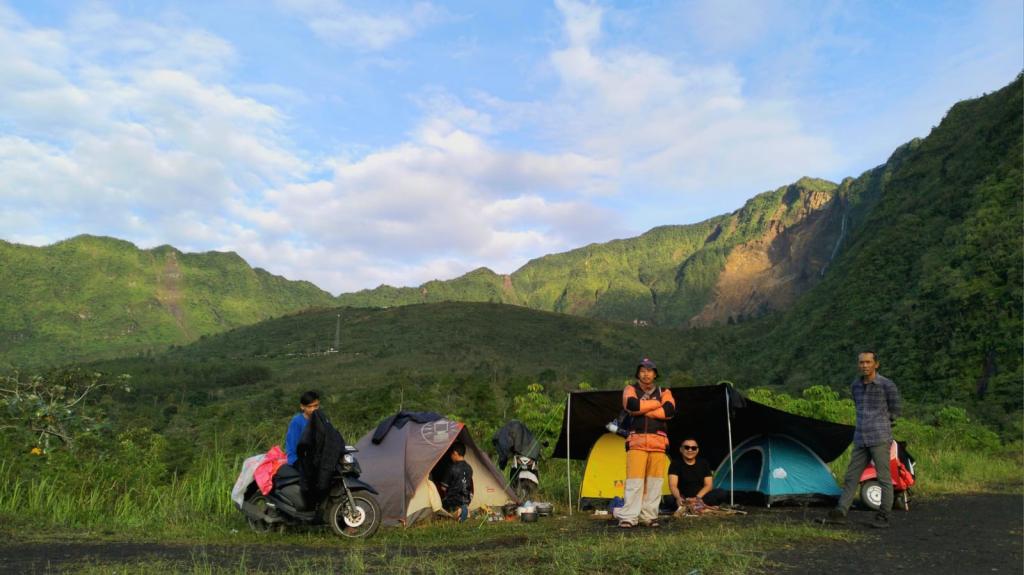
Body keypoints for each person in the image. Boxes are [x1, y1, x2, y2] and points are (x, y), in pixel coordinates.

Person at [825, 351, 902, 529]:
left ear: (876, 364)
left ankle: (883, 515)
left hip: (880, 438)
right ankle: (840, 512)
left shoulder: (886, 385)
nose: (864, 366)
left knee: (884, 478)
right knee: (851, 477)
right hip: (860, 438)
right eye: (861, 363)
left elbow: (896, 409)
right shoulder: (856, 386)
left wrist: (882, 423)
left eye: (868, 362)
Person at [614, 357, 676, 528]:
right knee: (634, 482)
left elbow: (669, 410)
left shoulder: (665, 391)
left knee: (655, 483)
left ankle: (648, 517)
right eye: (642, 371)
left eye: (649, 371)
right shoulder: (630, 389)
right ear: (638, 374)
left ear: (655, 374)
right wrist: (656, 404)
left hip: (659, 443)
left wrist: (644, 408)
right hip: (637, 441)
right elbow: (632, 405)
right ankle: (629, 517)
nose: (646, 374)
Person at [668, 437, 724, 513]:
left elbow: (709, 485)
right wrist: (678, 497)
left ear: (697, 450)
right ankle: (697, 507)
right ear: (681, 449)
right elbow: (673, 485)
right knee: (670, 499)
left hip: (701, 496)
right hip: (683, 497)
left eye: (693, 448)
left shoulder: (704, 463)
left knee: (720, 493)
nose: (690, 450)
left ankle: (693, 506)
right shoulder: (675, 463)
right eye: (686, 447)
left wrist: (697, 498)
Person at [439, 442, 474, 522]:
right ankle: (463, 509)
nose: (450, 456)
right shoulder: (469, 468)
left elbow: (443, 488)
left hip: (453, 500)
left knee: (442, 504)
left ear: (455, 453)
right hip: (467, 500)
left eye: (451, 454)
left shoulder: (451, 468)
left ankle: (456, 512)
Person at [285, 391, 320, 466]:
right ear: (302, 406)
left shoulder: (320, 420)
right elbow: (292, 448)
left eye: (315, 406)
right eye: (309, 406)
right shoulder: (297, 422)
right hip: (301, 460)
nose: (313, 409)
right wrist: (297, 463)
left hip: (317, 458)